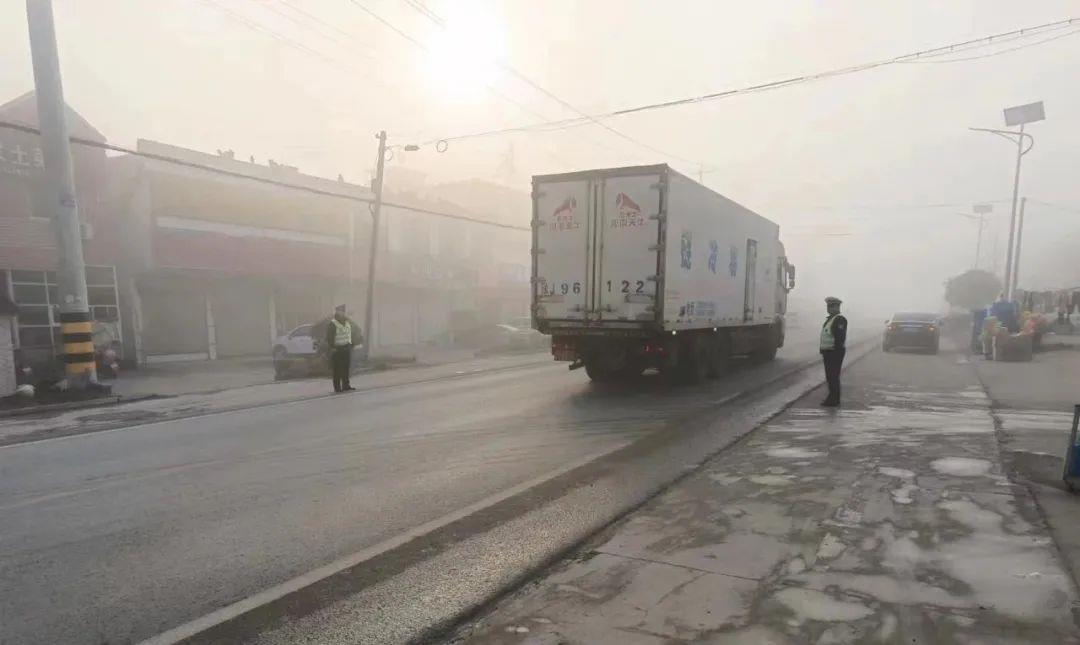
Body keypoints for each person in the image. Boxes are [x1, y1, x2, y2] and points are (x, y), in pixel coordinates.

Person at [324, 304, 363, 393]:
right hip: (337, 349)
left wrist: (352, 344)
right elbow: (329, 337)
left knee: (346, 368)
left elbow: (350, 333)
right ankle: (337, 387)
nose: (342, 313)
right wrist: (332, 347)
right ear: (337, 312)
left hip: (346, 348)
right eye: (340, 311)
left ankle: (346, 385)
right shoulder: (333, 323)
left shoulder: (347, 322)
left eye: (343, 311)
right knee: (337, 369)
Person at [819, 296, 848, 407]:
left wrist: (836, 353)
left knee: (833, 376)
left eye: (831, 306)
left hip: (834, 352)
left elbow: (840, 338)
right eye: (828, 306)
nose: (829, 308)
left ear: (837, 307)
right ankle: (832, 397)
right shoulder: (831, 319)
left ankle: (834, 399)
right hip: (828, 352)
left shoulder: (839, 320)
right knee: (830, 376)